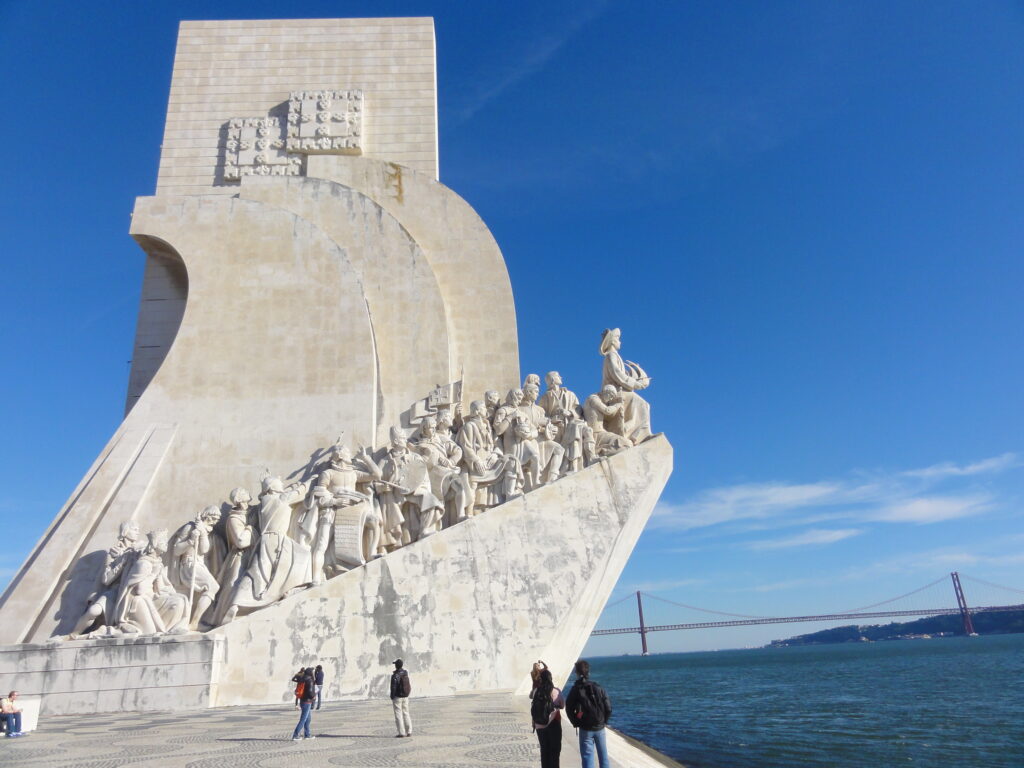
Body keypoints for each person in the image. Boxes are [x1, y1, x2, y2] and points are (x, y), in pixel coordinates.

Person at [565, 660, 612, 768]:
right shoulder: (598, 687)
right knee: (604, 757)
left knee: (587, 757)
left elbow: (569, 707)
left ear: (577, 672)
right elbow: (608, 708)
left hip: (585, 728)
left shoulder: (576, 689)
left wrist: (576, 722)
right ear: (588, 671)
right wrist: (604, 721)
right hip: (599, 726)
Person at [530, 668, 564, 768]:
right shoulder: (556, 691)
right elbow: (562, 705)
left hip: (539, 725)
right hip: (554, 724)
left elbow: (532, 702)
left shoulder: (536, 691)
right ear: (550, 678)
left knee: (544, 751)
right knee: (555, 752)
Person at [291, 666, 316, 741]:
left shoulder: (302, 678)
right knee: (303, 719)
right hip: (307, 701)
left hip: (302, 700)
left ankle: (307, 734)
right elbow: (310, 692)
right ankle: (295, 735)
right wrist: (313, 696)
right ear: (310, 673)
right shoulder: (309, 680)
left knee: (308, 719)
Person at [389, 658, 412, 738]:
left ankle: (401, 733)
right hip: (405, 696)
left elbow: (393, 687)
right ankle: (409, 731)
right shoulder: (405, 673)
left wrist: (392, 696)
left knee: (398, 714)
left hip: (398, 697)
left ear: (396, 666)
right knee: (406, 713)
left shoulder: (395, 675)